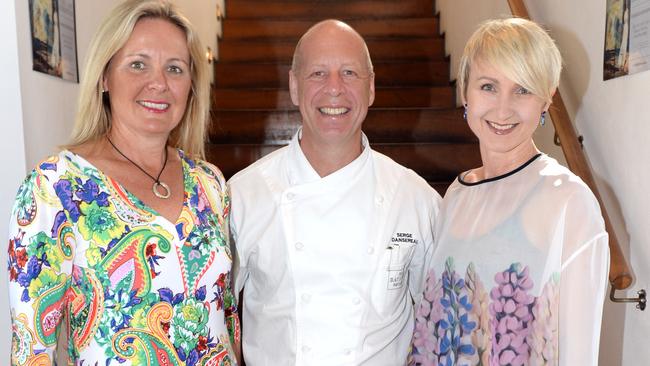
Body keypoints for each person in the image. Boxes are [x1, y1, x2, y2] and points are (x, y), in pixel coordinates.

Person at [7, 1, 240, 364]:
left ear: (191, 85)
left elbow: (226, 318)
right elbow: (31, 350)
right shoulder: (55, 187)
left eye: (174, 68)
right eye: (138, 64)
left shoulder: (210, 182)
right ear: (105, 75)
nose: (159, 83)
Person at [228, 20, 441, 365]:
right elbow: (216, 315)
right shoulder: (244, 195)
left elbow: (438, 322)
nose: (334, 89)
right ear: (294, 87)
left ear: (371, 88)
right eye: (317, 74)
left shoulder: (416, 198)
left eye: (349, 73)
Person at [409, 18, 609, 366]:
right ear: (465, 93)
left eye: (523, 90)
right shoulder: (456, 194)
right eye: (488, 86)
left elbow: (579, 354)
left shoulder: (569, 202)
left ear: (546, 101)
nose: (503, 109)